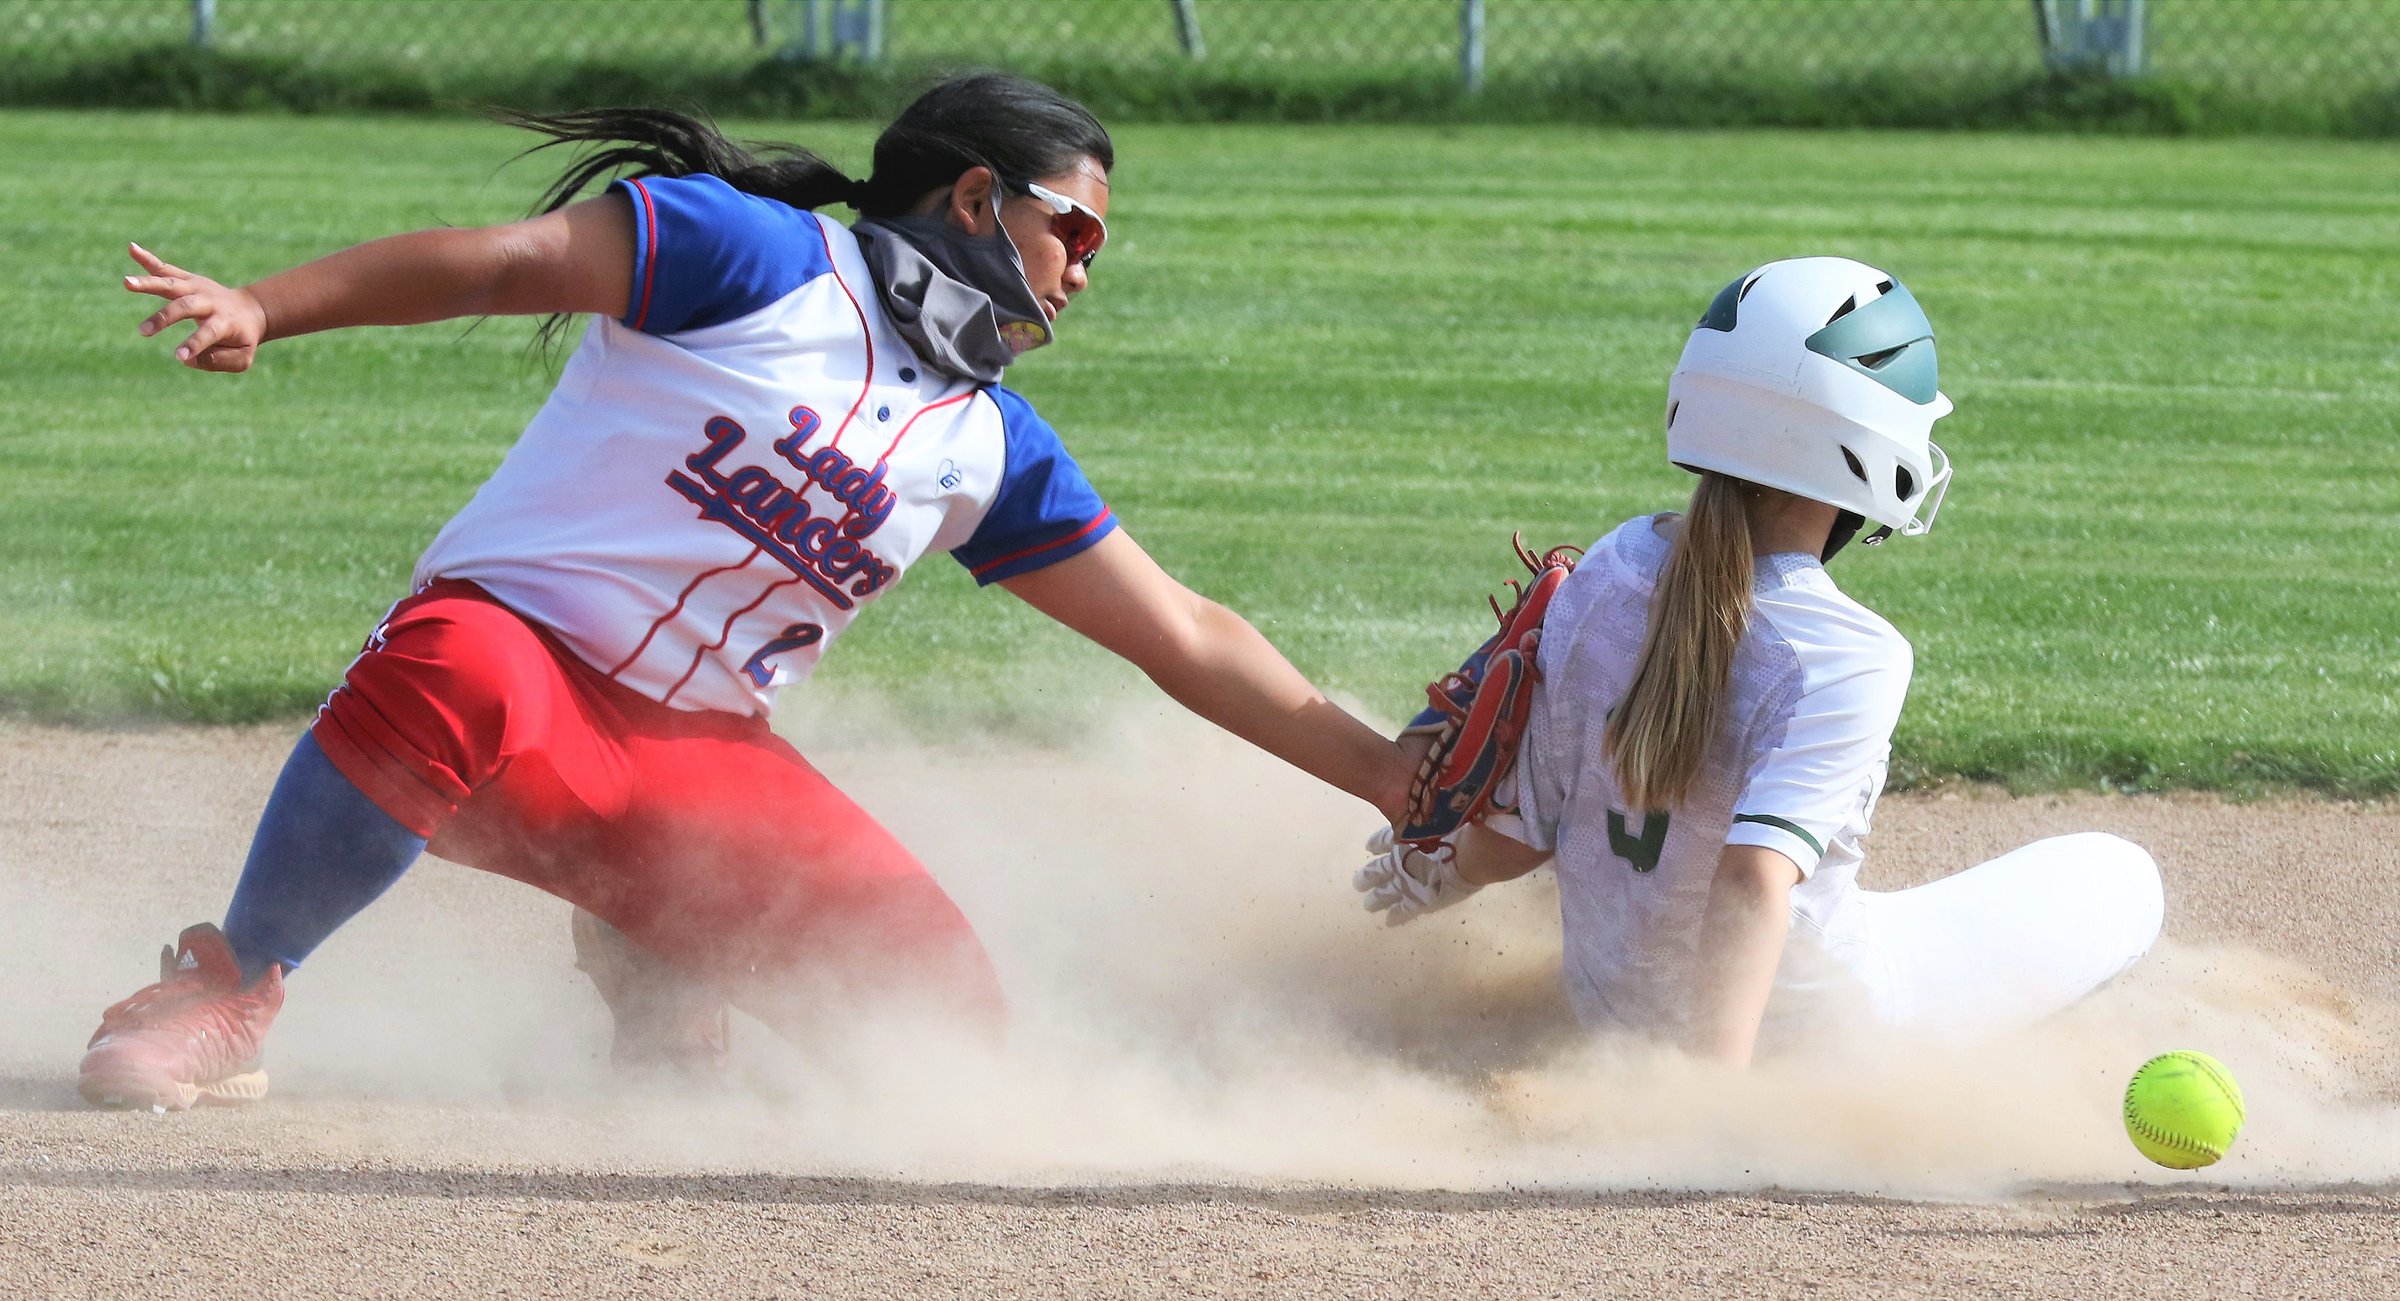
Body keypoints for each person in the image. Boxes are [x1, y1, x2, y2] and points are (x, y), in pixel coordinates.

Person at [80, 74, 1416, 1109]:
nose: (1086, 262)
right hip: (506, 683)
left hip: (690, 769)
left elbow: (1181, 634)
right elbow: (503, 262)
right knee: (462, 664)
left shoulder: (987, 442)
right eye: (1073, 223)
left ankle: (652, 952)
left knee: (940, 1017)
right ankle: (231, 984)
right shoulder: (753, 257)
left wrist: (1384, 777)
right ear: (972, 199)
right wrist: (265, 303)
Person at [1355, 258, 2163, 1066]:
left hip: (1610, 1026)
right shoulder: (1848, 653)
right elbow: (1751, 881)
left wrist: (1442, 875)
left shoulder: (1612, 566)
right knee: (2123, 875)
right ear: (1870, 444)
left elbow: (1526, 832)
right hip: (1802, 1048)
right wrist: (1713, 1110)